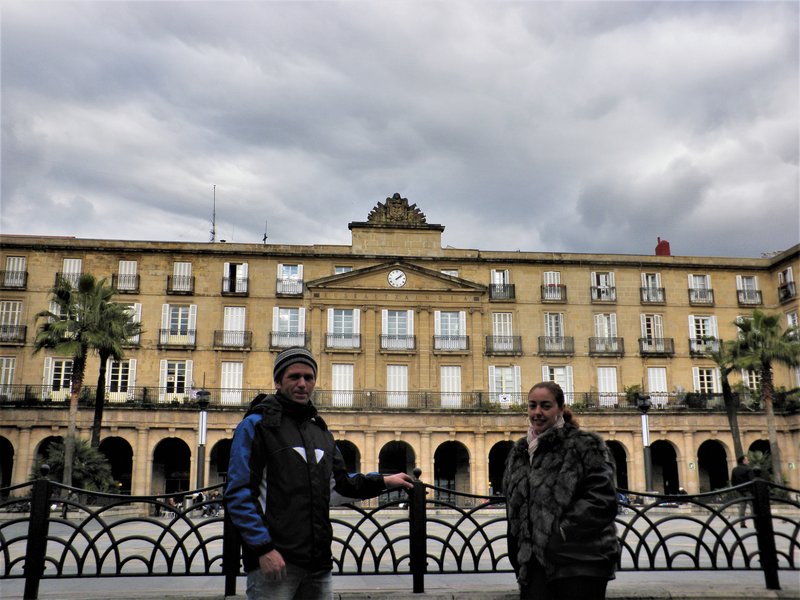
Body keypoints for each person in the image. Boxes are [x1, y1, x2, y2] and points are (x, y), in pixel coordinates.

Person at [225, 347, 414, 600]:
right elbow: (239, 493)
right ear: (278, 381)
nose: (302, 384)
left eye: (308, 377)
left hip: (318, 564)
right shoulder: (256, 425)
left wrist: (383, 480)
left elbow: (339, 487)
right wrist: (263, 548)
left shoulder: (321, 433)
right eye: (294, 377)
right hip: (275, 561)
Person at [503, 381, 619, 600]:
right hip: (535, 566)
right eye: (532, 405)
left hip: (580, 563)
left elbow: (602, 500)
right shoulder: (519, 452)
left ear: (560, 408)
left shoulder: (585, 445)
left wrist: (560, 533)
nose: (537, 412)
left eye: (545, 406)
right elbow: (515, 507)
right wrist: (518, 553)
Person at [731, 455, 755, 528]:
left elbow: (733, 481)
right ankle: (756, 523)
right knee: (752, 505)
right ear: (743, 461)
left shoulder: (734, 469)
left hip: (739, 490)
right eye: (747, 460)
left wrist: (737, 488)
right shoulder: (748, 469)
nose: (748, 461)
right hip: (748, 490)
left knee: (742, 506)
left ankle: (742, 523)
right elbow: (752, 480)